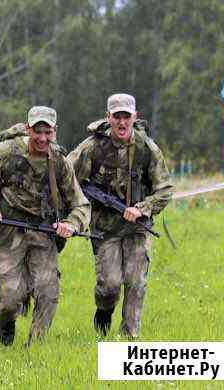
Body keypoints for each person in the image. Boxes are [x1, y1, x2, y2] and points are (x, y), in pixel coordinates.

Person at [0, 106, 91, 346]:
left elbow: (81, 204)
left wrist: (70, 223)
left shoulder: (60, 162)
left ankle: (36, 347)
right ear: (27, 129)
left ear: (54, 131)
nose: (42, 138)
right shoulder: (4, 152)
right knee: (9, 298)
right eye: (37, 131)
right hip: (8, 231)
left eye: (48, 132)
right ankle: (7, 319)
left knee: (47, 291)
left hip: (44, 234)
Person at [68, 93, 173, 338]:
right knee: (110, 286)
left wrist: (143, 208)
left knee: (136, 282)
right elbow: (66, 176)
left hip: (138, 227)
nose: (122, 122)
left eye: (127, 116)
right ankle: (104, 310)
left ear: (135, 117)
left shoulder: (147, 148)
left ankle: (129, 340)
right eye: (117, 117)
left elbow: (165, 189)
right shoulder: (92, 147)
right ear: (108, 118)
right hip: (105, 228)